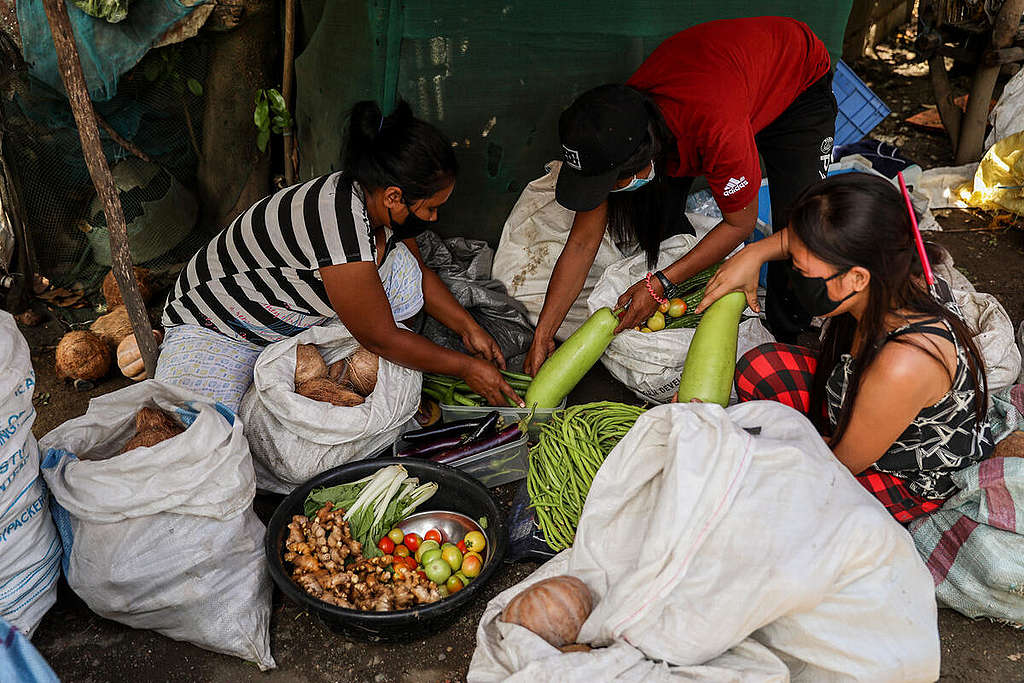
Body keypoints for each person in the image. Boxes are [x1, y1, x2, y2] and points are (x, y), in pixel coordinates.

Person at [157, 100, 524, 411]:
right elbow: (381, 339)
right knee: (203, 431)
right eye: (429, 209)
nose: (434, 219)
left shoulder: (371, 199)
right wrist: (464, 368)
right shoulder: (339, 226)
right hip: (218, 327)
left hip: (286, 314)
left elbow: (421, 273)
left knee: (404, 271)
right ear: (394, 196)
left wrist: (468, 328)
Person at [525, 16, 837, 374]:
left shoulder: (715, 129)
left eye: (611, 182)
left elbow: (740, 224)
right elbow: (582, 242)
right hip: (729, 81)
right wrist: (542, 335)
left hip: (797, 82)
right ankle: (682, 272)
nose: (605, 194)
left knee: (800, 227)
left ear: (646, 157)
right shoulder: (615, 126)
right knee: (654, 213)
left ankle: (788, 341)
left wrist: (660, 285)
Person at [697, 173, 994, 523]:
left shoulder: (903, 363)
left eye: (802, 268)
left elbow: (841, 462)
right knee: (761, 368)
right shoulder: (890, 267)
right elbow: (801, 239)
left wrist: (731, 436)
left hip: (897, 475)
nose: (793, 272)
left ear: (856, 277)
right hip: (857, 401)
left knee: (768, 502)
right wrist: (756, 254)